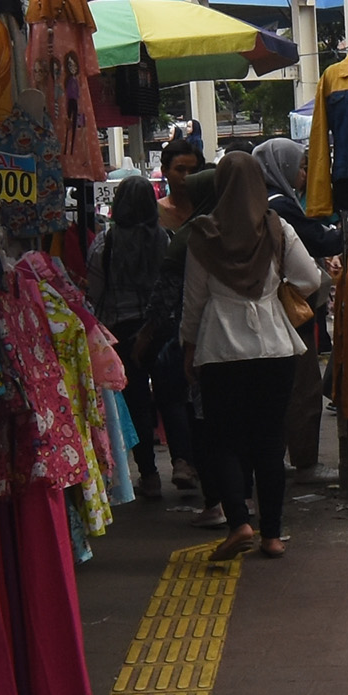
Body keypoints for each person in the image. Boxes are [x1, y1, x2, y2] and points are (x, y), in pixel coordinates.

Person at [177, 150, 325, 561]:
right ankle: (272, 536)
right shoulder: (277, 229)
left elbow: (193, 303)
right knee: (268, 442)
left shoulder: (202, 235)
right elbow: (311, 279)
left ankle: (239, 521)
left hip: (220, 350)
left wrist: (188, 349)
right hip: (274, 348)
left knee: (224, 441)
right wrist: (274, 294)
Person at [95, 174, 197, 503]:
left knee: (136, 400)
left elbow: (96, 293)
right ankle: (182, 461)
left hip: (122, 331)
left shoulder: (104, 243)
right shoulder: (165, 239)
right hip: (162, 328)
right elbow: (174, 287)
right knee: (172, 397)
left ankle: (149, 475)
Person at [256, 135, 336, 472]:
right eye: (301, 167)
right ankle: (304, 462)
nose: (304, 174)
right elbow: (311, 267)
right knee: (303, 387)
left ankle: (280, 458)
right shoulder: (282, 207)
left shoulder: (254, 204)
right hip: (291, 311)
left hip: (260, 317)